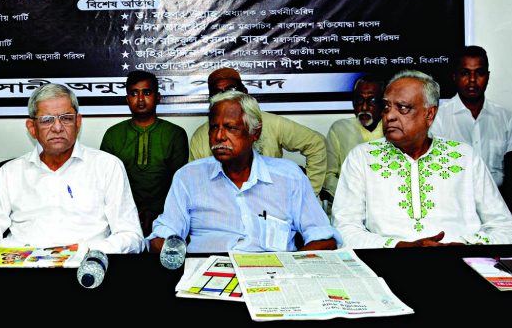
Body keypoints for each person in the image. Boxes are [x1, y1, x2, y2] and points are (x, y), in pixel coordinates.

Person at [332, 70, 512, 248]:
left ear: (429, 114)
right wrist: (397, 246)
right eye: (386, 107)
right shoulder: (362, 158)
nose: (389, 116)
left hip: (461, 265)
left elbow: (508, 230)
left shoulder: (464, 157)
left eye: (403, 108)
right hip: (389, 264)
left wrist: (467, 246)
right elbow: (344, 230)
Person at [150, 90, 340, 253]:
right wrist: (177, 257)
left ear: (254, 132)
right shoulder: (188, 177)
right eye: (214, 127)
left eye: (230, 128)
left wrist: (291, 267)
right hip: (208, 279)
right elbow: (162, 236)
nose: (219, 136)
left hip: (273, 279)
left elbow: (324, 238)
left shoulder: (289, 177)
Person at [0, 84, 143, 254]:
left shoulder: (107, 166)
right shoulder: (11, 173)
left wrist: (86, 252)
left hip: (86, 267)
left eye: (66, 118)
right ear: (32, 128)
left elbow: (131, 236)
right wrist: (20, 254)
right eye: (47, 120)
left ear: (78, 122)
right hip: (24, 268)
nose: (58, 128)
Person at [189, 68, 328, 197]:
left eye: (231, 89)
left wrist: (307, 194)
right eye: (218, 92)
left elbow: (315, 144)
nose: (226, 96)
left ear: (245, 91)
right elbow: (197, 181)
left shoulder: (271, 122)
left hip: (271, 201)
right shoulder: (200, 137)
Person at [100, 70, 188, 236]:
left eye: (146, 92)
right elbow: (105, 185)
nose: (140, 99)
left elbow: (179, 185)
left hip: (167, 218)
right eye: (134, 93)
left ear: (158, 97)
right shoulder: (113, 134)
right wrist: (131, 215)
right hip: (121, 218)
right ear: (127, 99)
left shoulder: (175, 134)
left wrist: (155, 214)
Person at [430, 46, 512, 186]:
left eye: (479, 73)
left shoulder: (506, 119)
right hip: (453, 201)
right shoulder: (437, 118)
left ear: (488, 76)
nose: (473, 80)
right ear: (454, 77)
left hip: (499, 200)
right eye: (465, 73)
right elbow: (433, 171)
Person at [325, 74, 385, 197]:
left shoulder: (395, 130)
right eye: (359, 100)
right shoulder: (339, 129)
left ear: (383, 102)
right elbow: (328, 175)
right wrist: (351, 195)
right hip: (349, 203)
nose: (364, 107)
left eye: (372, 101)